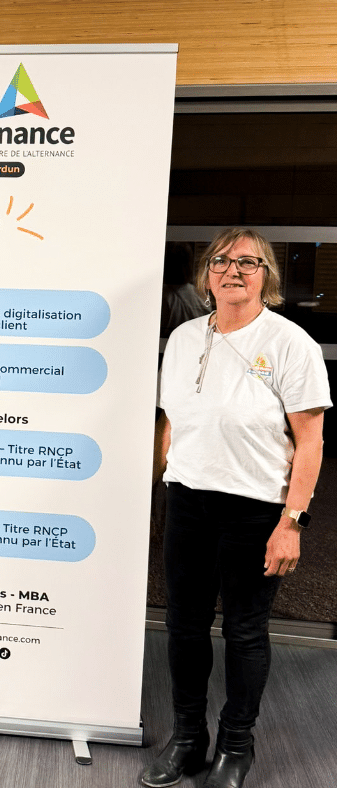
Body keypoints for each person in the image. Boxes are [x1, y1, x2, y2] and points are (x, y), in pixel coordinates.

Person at [144, 228, 330, 788]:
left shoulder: (290, 342)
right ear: (206, 277)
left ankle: (236, 746)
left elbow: (312, 440)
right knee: (184, 626)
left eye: (249, 263)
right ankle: (187, 737)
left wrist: (291, 521)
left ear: (266, 278)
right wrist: (166, 484)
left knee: (245, 631)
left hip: (255, 509)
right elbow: (172, 421)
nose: (234, 271)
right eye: (222, 261)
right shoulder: (181, 339)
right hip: (188, 505)